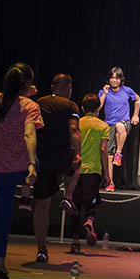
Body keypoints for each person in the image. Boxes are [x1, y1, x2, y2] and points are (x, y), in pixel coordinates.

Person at [0, 63, 42, 279]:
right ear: (28, 84)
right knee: (3, 219)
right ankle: (26, 195)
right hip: (16, 170)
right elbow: (29, 134)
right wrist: (31, 164)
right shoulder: (30, 106)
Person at [33, 74, 82, 260]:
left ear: (53, 86)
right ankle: (68, 196)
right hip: (62, 154)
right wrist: (78, 153)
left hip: (42, 156)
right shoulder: (70, 105)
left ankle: (41, 249)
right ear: (69, 87)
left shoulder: (39, 102)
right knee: (76, 167)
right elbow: (74, 129)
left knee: (42, 206)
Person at [69, 93, 110, 253]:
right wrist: (107, 174)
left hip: (76, 169)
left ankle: (74, 242)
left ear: (82, 108)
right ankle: (90, 221)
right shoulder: (102, 126)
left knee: (75, 205)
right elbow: (103, 149)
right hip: (93, 170)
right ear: (98, 108)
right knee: (92, 202)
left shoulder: (77, 123)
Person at [98, 66, 140, 191]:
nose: (114, 80)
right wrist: (104, 94)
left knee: (119, 126)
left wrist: (135, 115)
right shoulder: (104, 92)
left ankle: (119, 152)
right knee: (108, 156)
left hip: (124, 122)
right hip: (109, 124)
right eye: (112, 78)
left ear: (121, 79)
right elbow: (98, 107)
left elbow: (138, 99)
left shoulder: (127, 90)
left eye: (117, 78)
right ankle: (109, 182)